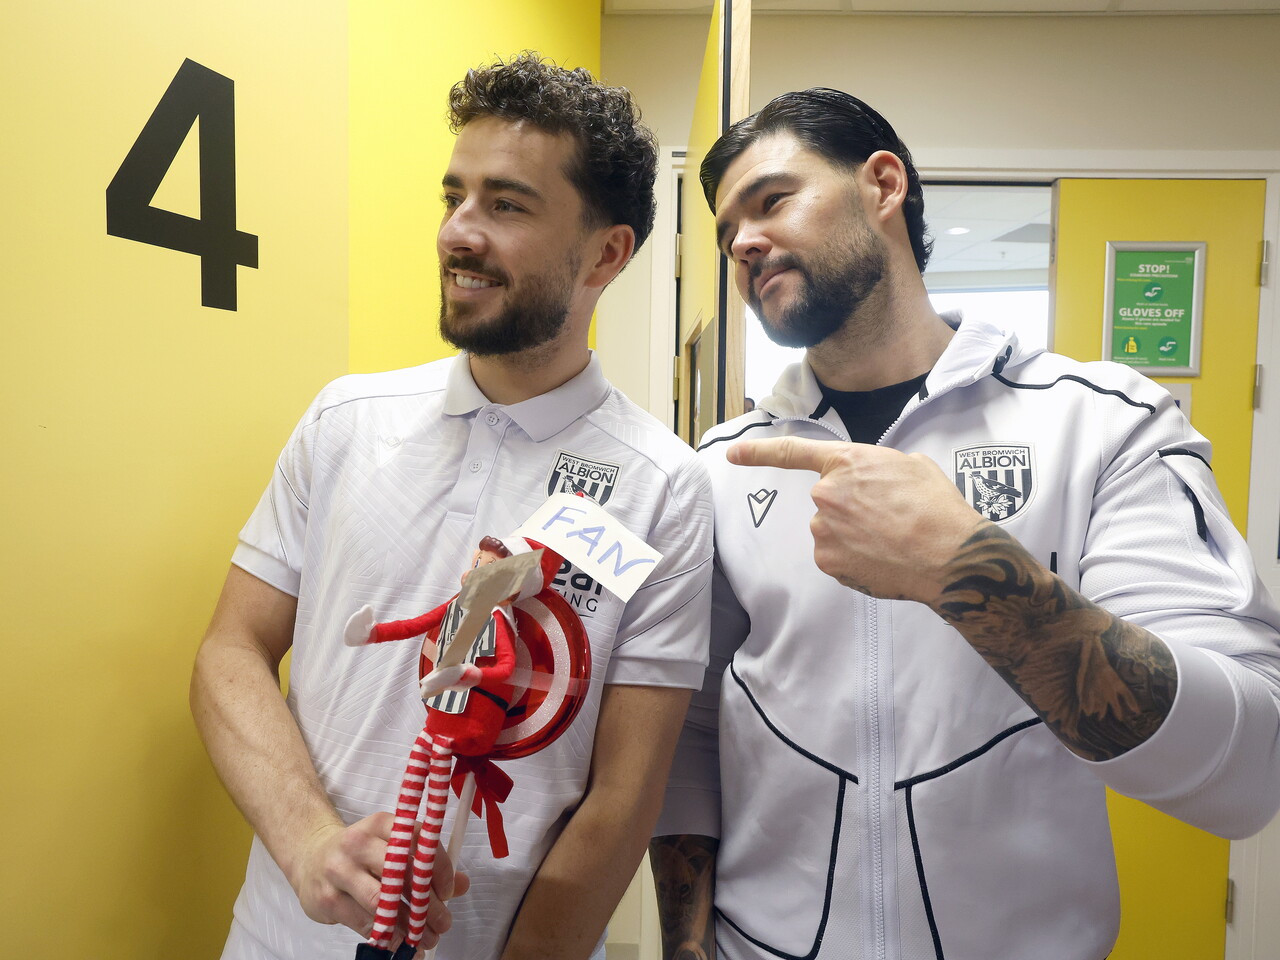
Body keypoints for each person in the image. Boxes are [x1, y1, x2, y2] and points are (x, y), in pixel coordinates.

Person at [650, 87, 1280, 960]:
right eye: (727, 232)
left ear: (882, 185)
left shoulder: (1101, 423)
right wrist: (685, 946)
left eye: (773, 199)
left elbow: (1246, 771)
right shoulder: (723, 464)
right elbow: (692, 731)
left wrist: (963, 569)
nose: (744, 241)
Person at [191, 53, 713, 960]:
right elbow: (231, 651)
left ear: (608, 252)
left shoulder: (660, 489)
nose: (457, 233)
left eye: (506, 204)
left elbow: (623, 800)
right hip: (280, 939)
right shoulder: (347, 422)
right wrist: (308, 842)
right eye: (454, 196)